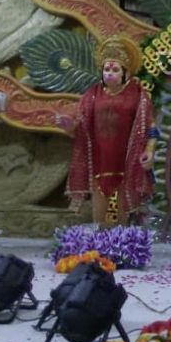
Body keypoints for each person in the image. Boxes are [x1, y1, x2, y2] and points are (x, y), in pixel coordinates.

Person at [60, 35, 155, 225]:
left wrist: (150, 150)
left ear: (125, 73)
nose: (109, 73)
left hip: (127, 159)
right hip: (99, 159)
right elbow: (80, 127)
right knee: (99, 211)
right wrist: (69, 126)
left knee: (121, 213)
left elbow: (150, 126)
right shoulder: (92, 95)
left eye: (115, 69)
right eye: (106, 69)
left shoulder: (138, 94)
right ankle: (100, 237)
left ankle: (120, 238)